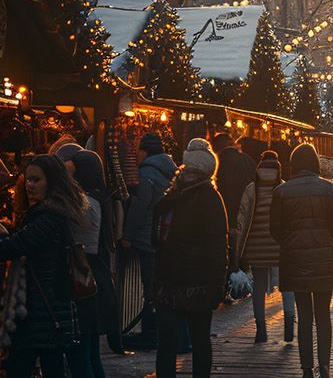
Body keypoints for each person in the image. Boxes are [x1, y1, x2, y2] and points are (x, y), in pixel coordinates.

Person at [0, 155, 93, 378]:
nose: (30, 185)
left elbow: (10, 248)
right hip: (47, 310)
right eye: (27, 180)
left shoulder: (48, 217)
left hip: (41, 313)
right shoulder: (50, 214)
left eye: (36, 180)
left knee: (20, 368)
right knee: (52, 367)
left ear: (51, 182)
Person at [269, 144, 333, 378]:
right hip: (324, 258)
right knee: (323, 314)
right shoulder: (330, 189)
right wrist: (329, 240)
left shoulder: (282, 192)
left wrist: (290, 242)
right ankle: (324, 365)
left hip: (295, 259)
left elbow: (275, 228)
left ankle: (306, 368)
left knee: (304, 315)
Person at [152, 139, 229, 378]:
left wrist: (216, 286)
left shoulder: (183, 198)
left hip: (184, 282)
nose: (189, 175)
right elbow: (218, 246)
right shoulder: (194, 197)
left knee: (181, 344)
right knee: (185, 343)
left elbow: (218, 246)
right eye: (189, 170)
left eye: (193, 171)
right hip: (185, 282)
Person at [122, 133, 176, 349]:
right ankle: (157, 330)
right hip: (165, 238)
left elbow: (139, 207)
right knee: (158, 285)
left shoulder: (146, 175)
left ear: (145, 151)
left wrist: (127, 235)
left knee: (150, 287)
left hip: (146, 238)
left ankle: (150, 332)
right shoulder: (171, 172)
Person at [235, 151, 295, 345]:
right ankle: (288, 328)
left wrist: (239, 250)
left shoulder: (251, 189)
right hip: (280, 247)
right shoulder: (284, 189)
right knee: (287, 286)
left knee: (258, 288)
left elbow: (242, 219)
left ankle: (261, 330)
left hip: (256, 247)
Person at [69, 150, 117, 375]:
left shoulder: (87, 203)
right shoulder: (102, 197)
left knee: (85, 348)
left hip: (86, 276)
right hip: (97, 274)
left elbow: (82, 243)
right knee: (91, 349)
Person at [212, 133, 256, 258]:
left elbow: (226, 192)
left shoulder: (220, 163)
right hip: (248, 216)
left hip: (228, 218)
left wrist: (229, 221)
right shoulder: (248, 160)